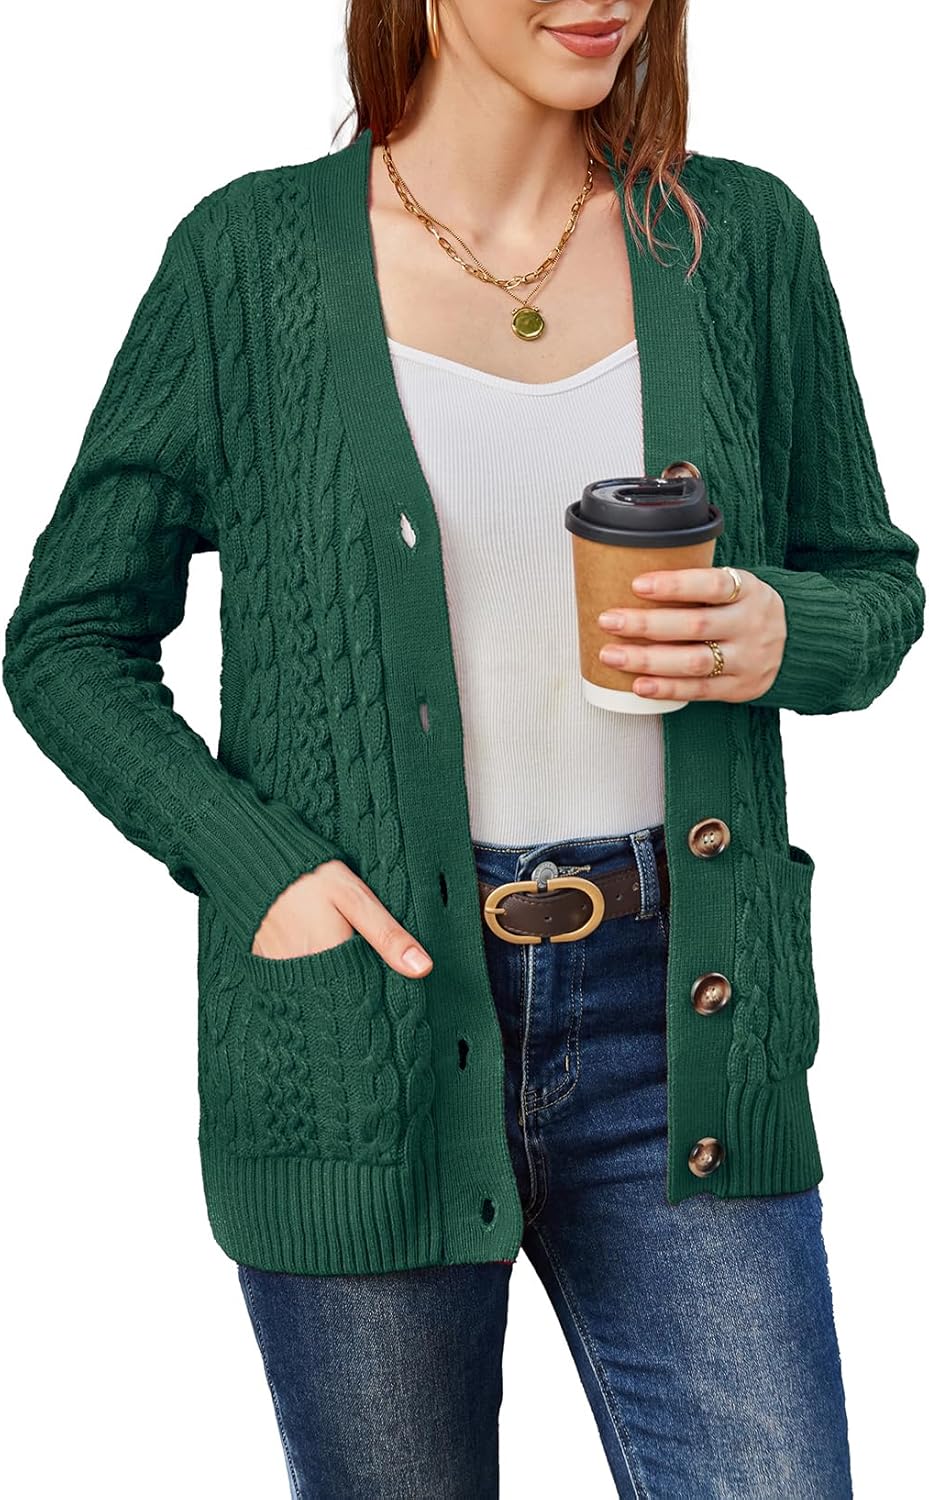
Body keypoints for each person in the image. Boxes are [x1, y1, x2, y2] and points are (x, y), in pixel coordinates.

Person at [4, 1, 925, 1496]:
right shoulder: (248, 261)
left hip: (679, 1019)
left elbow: (873, 585)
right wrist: (259, 866)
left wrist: (786, 632)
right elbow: (66, 638)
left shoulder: (738, 238)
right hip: (364, 1023)